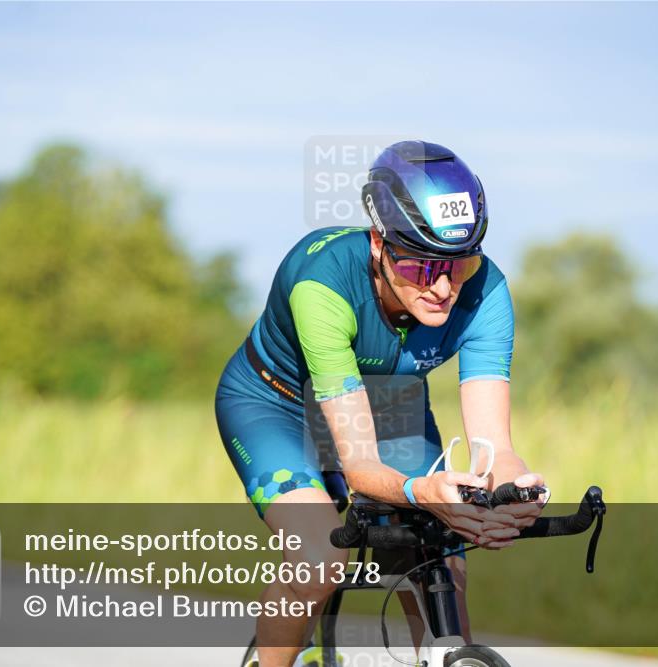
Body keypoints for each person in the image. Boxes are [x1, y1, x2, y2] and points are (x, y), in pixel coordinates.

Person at [215, 140, 545, 667]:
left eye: (458, 264)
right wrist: (420, 491)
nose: (442, 287)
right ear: (378, 243)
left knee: (441, 563)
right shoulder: (322, 286)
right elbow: (362, 466)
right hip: (274, 406)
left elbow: (494, 449)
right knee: (319, 556)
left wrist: (511, 487)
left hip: (390, 405)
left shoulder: (487, 291)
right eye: (419, 266)